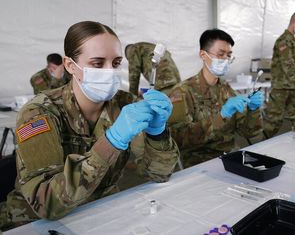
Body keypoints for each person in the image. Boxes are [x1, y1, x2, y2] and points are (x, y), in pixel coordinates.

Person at [0, 21, 179, 231]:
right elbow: (47, 203)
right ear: (69, 66)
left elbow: (160, 173)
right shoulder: (39, 113)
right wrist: (111, 142)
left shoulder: (124, 104)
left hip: (101, 212)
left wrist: (157, 133)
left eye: (116, 63)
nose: (110, 71)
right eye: (97, 63)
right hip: (33, 223)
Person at [168, 29, 263, 168]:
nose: (225, 59)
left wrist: (253, 110)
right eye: (220, 54)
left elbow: (248, 132)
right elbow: (178, 139)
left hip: (230, 157)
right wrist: (221, 116)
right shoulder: (182, 92)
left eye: (228, 55)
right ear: (203, 55)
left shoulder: (227, 90)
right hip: (199, 163)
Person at [263, 11, 295, 138]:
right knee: (273, 120)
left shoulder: (293, 40)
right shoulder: (284, 40)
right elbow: (288, 65)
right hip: (281, 88)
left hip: (292, 87)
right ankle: (261, 146)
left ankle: (292, 144)